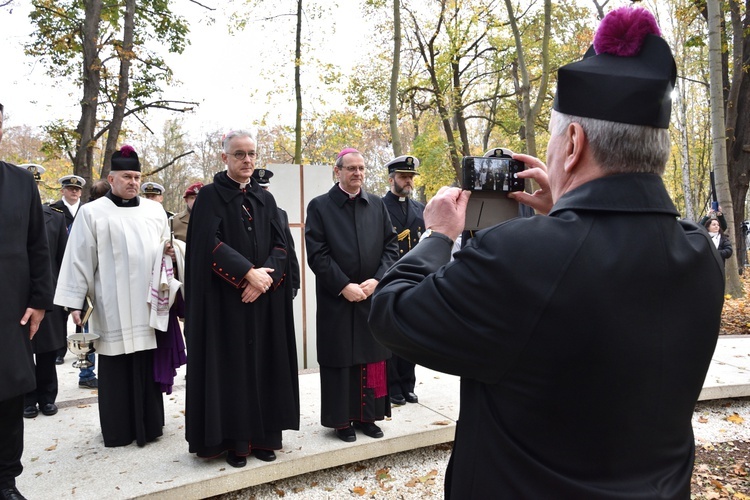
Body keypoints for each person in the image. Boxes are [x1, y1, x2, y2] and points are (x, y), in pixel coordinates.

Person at [369, 7, 725, 498]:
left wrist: (437, 235)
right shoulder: (700, 256)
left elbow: (392, 314)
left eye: (558, 137)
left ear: (573, 143)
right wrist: (568, 212)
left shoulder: (519, 254)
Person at [184, 130, 299, 467]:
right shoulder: (208, 197)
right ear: (225, 158)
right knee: (231, 371)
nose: (247, 160)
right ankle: (234, 442)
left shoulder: (266, 199)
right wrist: (247, 272)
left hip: (264, 302)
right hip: (225, 305)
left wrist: (264, 278)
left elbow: (282, 246)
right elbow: (207, 244)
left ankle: (265, 437)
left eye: (251, 154)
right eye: (239, 154)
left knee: (266, 367)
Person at [54, 145, 173, 448]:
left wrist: (172, 254)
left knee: (145, 365)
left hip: (147, 306)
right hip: (111, 306)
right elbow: (79, 258)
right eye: (126, 176)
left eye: (137, 176)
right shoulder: (92, 213)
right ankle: (119, 430)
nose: (133, 182)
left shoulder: (155, 210)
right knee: (117, 368)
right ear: (111, 178)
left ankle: (150, 426)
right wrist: (76, 303)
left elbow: (167, 251)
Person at [305, 147, 399, 442]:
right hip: (338, 298)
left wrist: (378, 279)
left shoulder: (376, 204)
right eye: (351, 169)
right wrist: (344, 286)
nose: (357, 173)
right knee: (341, 358)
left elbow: (390, 246)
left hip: (371, 295)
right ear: (338, 172)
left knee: (373, 357)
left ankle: (369, 416)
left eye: (361, 168)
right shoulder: (320, 206)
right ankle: (341, 420)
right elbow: (317, 254)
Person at [0, 103, 54, 500]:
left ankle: (5, 480)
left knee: (8, 394)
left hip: (10, 309)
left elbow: (38, 246)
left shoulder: (20, 182)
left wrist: (39, 302)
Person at [17, 164, 68, 419]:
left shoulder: (55, 217)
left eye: (35, 184)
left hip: (49, 292)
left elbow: (62, 259)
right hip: (17, 294)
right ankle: (27, 397)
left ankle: (48, 397)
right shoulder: (11, 214)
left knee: (47, 350)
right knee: (22, 349)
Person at [381, 155, 424, 406]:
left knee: (413, 333)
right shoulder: (378, 206)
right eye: (403, 177)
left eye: (410, 177)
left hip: (416, 276)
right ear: (391, 179)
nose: (408, 181)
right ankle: (393, 384)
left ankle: (408, 383)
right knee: (392, 332)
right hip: (390, 275)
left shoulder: (419, 208)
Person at [252, 168, 301, 297]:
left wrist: (294, 282)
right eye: (259, 189)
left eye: (265, 189)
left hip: (275, 278)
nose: (262, 192)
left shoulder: (280, 214)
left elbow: (288, 248)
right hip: (251, 279)